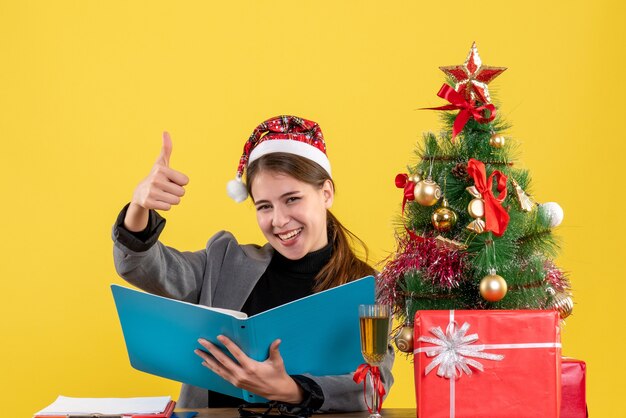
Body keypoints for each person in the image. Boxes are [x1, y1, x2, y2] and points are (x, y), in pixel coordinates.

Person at [112, 115, 394, 412]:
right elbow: (144, 267)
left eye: (292, 199)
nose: (279, 220)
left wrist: (292, 390)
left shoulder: (366, 286)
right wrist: (139, 207)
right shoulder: (225, 261)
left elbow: (375, 381)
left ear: (326, 193)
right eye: (264, 206)